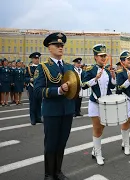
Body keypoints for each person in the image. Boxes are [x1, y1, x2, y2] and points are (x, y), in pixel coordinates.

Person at [34, 32, 75, 180]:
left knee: (62, 142)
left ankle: (58, 172)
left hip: (67, 110)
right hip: (52, 111)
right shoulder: (43, 67)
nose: (60, 47)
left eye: (62, 45)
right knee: (51, 144)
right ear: (49, 48)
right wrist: (57, 90)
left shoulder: (69, 66)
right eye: (56, 45)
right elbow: (37, 91)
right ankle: (49, 175)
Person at [82, 44, 116, 165]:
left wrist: (113, 76)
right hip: (95, 103)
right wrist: (95, 78)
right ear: (95, 57)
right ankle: (99, 154)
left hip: (105, 103)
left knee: (102, 127)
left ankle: (95, 149)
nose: (103, 58)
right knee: (97, 128)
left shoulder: (107, 71)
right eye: (100, 56)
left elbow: (112, 86)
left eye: (104, 56)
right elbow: (83, 84)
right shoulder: (90, 70)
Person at [25, 52, 43, 125]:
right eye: (35, 58)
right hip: (32, 87)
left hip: (39, 87)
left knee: (39, 103)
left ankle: (38, 117)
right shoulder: (29, 68)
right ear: (32, 59)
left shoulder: (41, 67)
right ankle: (33, 119)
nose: (37, 60)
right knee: (33, 103)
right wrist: (30, 79)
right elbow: (25, 78)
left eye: (38, 58)